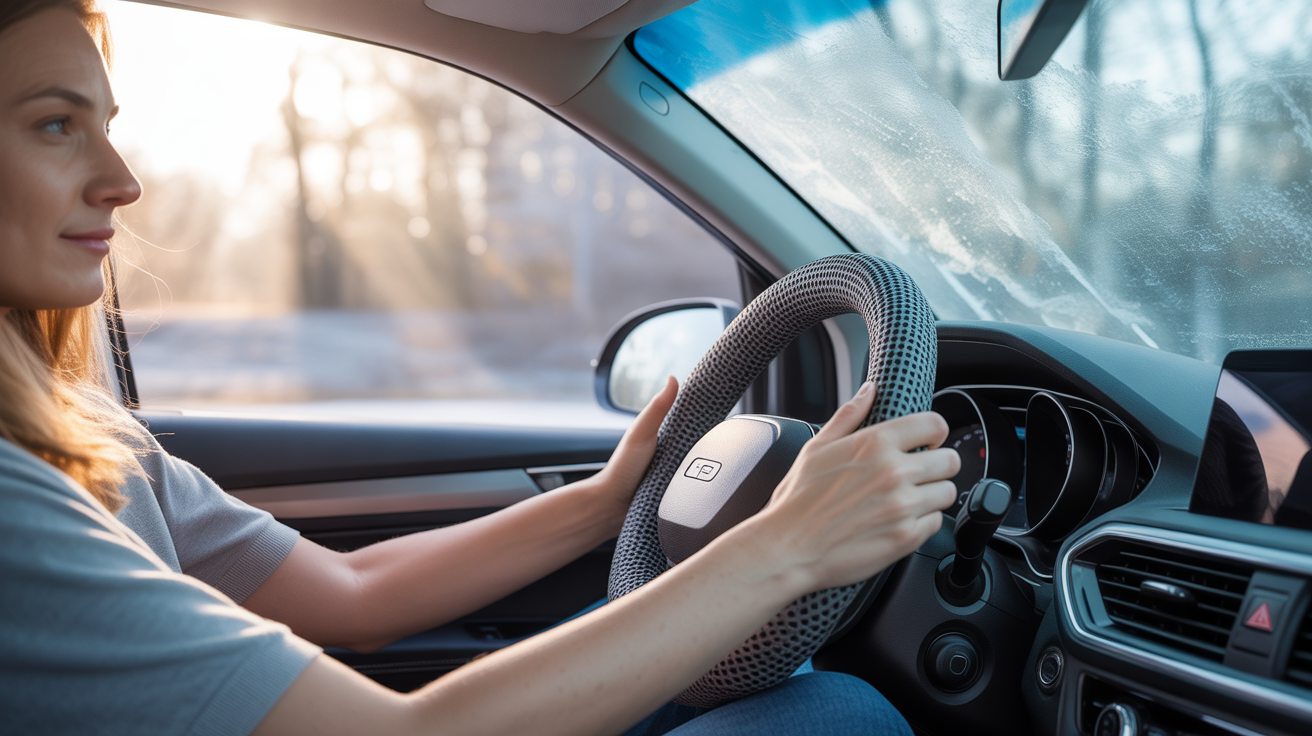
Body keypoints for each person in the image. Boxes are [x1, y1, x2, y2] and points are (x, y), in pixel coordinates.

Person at [0, 1, 961, 734]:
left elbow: (353, 593)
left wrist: (605, 501)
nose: (122, 179)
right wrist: (789, 543)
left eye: (105, 123)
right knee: (830, 715)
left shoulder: (82, 436)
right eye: (55, 124)